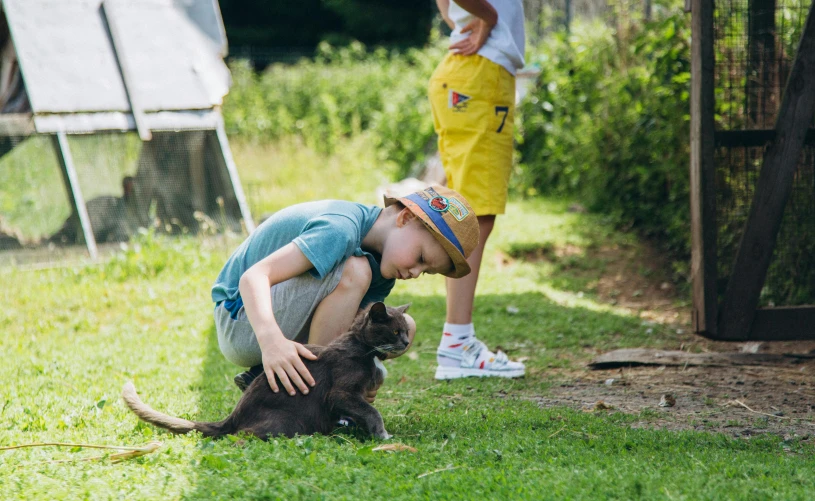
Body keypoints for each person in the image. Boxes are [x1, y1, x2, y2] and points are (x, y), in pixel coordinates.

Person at [212, 185, 479, 402]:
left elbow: (349, 334)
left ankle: (280, 379)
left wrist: (360, 376)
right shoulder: (340, 229)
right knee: (357, 270)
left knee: (404, 325)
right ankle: (314, 395)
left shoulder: (383, 267)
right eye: (421, 257)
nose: (416, 272)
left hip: (276, 318)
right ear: (405, 217)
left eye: (427, 271)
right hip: (242, 319)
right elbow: (253, 278)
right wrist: (271, 344)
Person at [430, 0, 527, 379]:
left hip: (466, 74)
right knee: (474, 214)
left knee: (465, 211)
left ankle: (457, 340)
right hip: (480, 76)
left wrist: (468, 18)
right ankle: (457, 343)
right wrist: (488, 17)